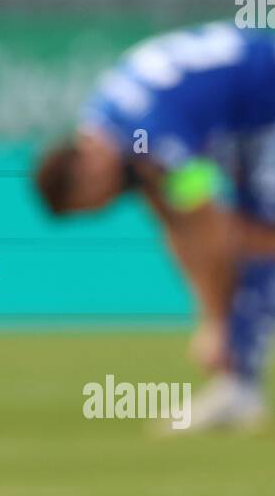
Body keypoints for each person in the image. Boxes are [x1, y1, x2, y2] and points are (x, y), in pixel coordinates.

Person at [35, 22, 275, 431]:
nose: (105, 207)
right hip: (246, 116)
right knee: (246, 237)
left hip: (264, 107)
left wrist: (215, 323)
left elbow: (206, 220)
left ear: (89, 171)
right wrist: (208, 315)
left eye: (94, 204)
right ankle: (237, 386)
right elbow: (176, 225)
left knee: (254, 238)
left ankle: (237, 386)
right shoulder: (111, 128)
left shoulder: (149, 133)